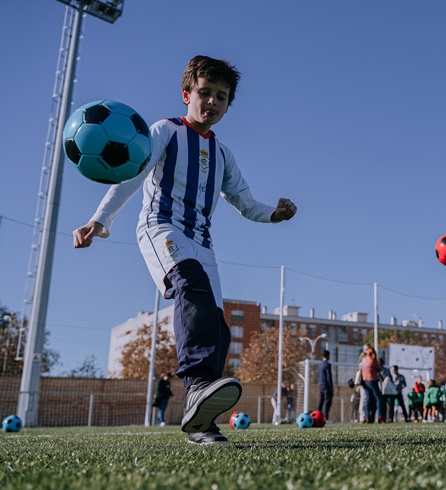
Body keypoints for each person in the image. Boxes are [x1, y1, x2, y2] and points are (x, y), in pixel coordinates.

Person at [73, 56, 297, 445]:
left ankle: (201, 422)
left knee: (218, 327)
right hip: (162, 228)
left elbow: (244, 201)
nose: (211, 102)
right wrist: (100, 219)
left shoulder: (223, 154)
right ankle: (195, 386)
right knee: (189, 285)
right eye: (205, 93)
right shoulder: (164, 131)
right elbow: (133, 174)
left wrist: (274, 214)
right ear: (186, 94)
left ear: (229, 105)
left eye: (221, 97)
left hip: (202, 243)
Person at [360, 345, 386, 423]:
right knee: (379, 398)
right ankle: (380, 417)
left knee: (368, 399)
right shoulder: (372, 360)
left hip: (365, 381)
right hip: (372, 380)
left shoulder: (363, 359)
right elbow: (379, 369)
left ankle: (367, 417)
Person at [317, 350, 334, 421]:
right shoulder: (327, 365)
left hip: (321, 384)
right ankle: (325, 417)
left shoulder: (320, 365)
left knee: (321, 401)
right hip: (326, 385)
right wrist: (331, 387)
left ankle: (317, 416)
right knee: (327, 401)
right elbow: (328, 377)